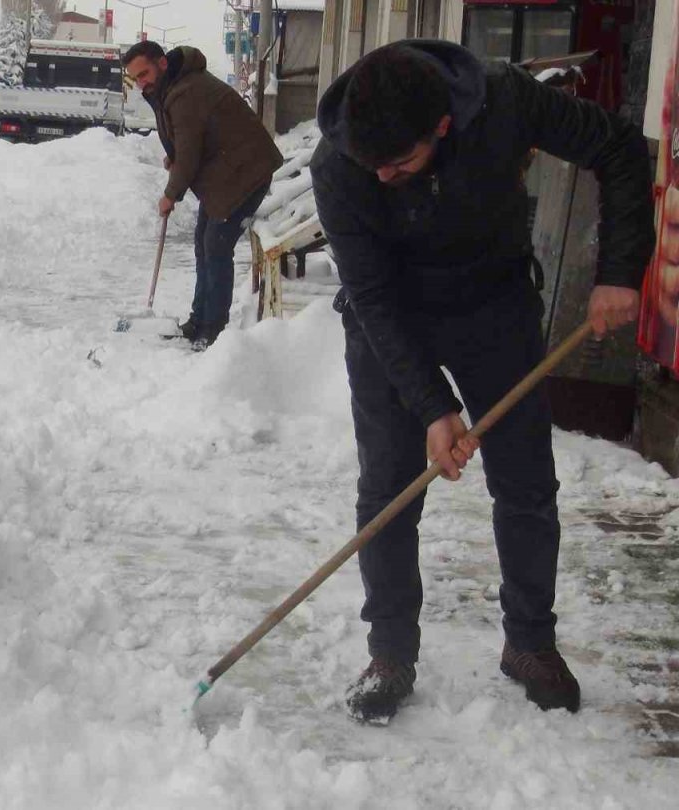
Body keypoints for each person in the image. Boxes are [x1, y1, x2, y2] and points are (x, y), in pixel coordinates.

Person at [310, 40, 655, 723]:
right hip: (391, 321)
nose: (381, 177)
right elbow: (372, 298)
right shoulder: (339, 162)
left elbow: (617, 147)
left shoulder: (505, 100)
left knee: (525, 482)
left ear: (442, 126)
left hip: (493, 308)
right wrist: (434, 408)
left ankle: (529, 643)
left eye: (398, 164)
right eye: (369, 164)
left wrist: (619, 270)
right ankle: (390, 654)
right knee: (388, 490)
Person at [122, 41, 283, 348]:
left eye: (144, 73)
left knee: (216, 246)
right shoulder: (172, 88)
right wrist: (176, 155)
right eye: (136, 78)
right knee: (203, 242)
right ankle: (200, 319)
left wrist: (171, 194)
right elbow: (188, 140)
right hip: (225, 172)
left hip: (244, 173)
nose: (142, 82)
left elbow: (191, 152)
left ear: (162, 64)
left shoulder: (187, 92)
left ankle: (214, 329)